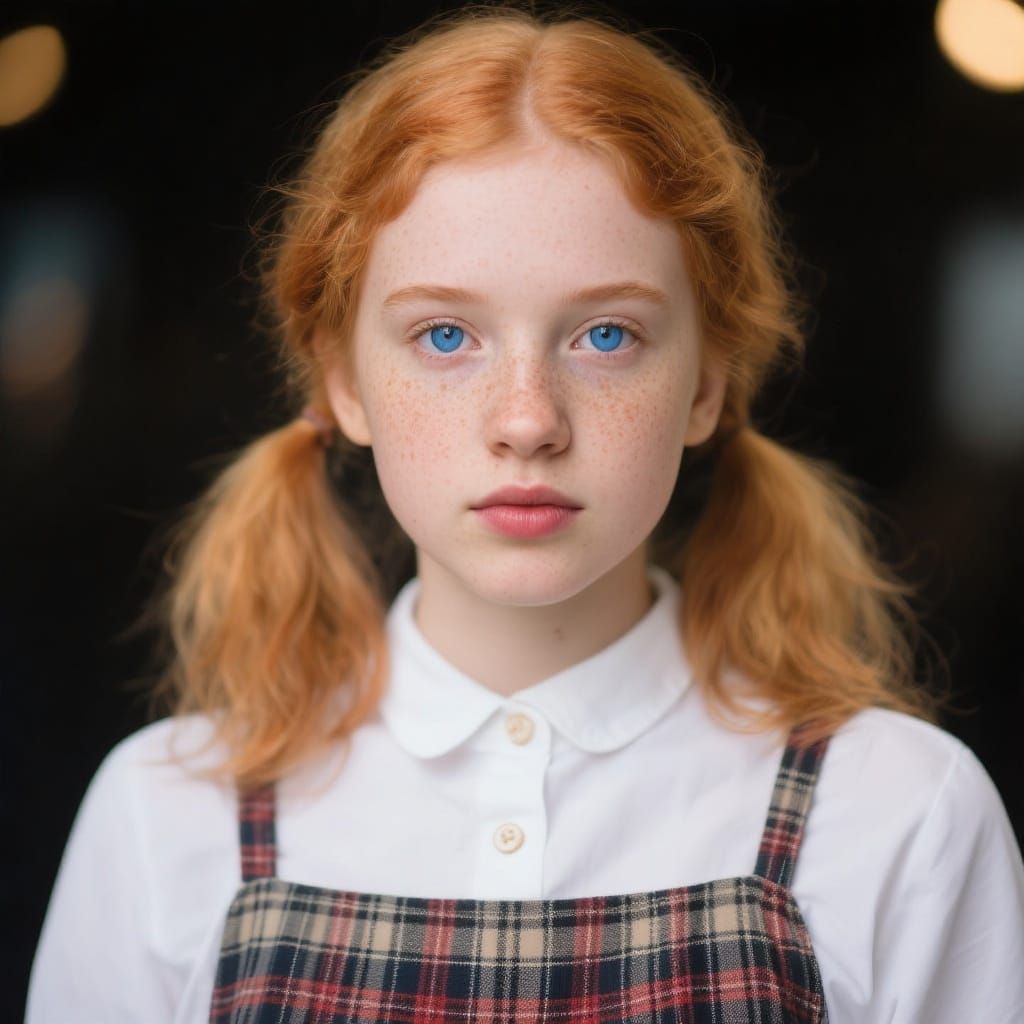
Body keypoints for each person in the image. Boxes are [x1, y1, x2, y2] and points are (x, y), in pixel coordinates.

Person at [25, 5, 1024, 1023]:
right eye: (447, 335)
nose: (526, 422)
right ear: (343, 384)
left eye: (605, 334)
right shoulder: (168, 816)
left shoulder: (896, 814)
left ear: (706, 384)